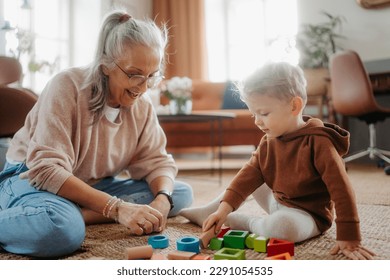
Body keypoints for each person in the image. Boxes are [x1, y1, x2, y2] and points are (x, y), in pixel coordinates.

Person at [0, 10, 193, 258]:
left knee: (177, 192)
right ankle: (63, 215)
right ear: (106, 65)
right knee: (61, 229)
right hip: (30, 178)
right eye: (134, 74)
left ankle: (78, 211)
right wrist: (117, 208)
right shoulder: (66, 86)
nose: (143, 87)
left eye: (151, 76)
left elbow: (157, 161)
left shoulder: (141, 105)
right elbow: (46, 169)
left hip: (90, 183)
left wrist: (162, 201)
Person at [180, 62, 375, 260]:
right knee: (249, 178)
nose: (257, 121)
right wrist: (223, 208)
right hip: (278, 201)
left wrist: (349, 235)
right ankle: (211, 211)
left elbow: (341, 189)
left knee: (282, 228)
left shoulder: (319, 142)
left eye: (263, 113)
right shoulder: (269, 140)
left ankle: (247, 222)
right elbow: (246, 176)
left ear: (294, 106)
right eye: (253, 114)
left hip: (307, 216)